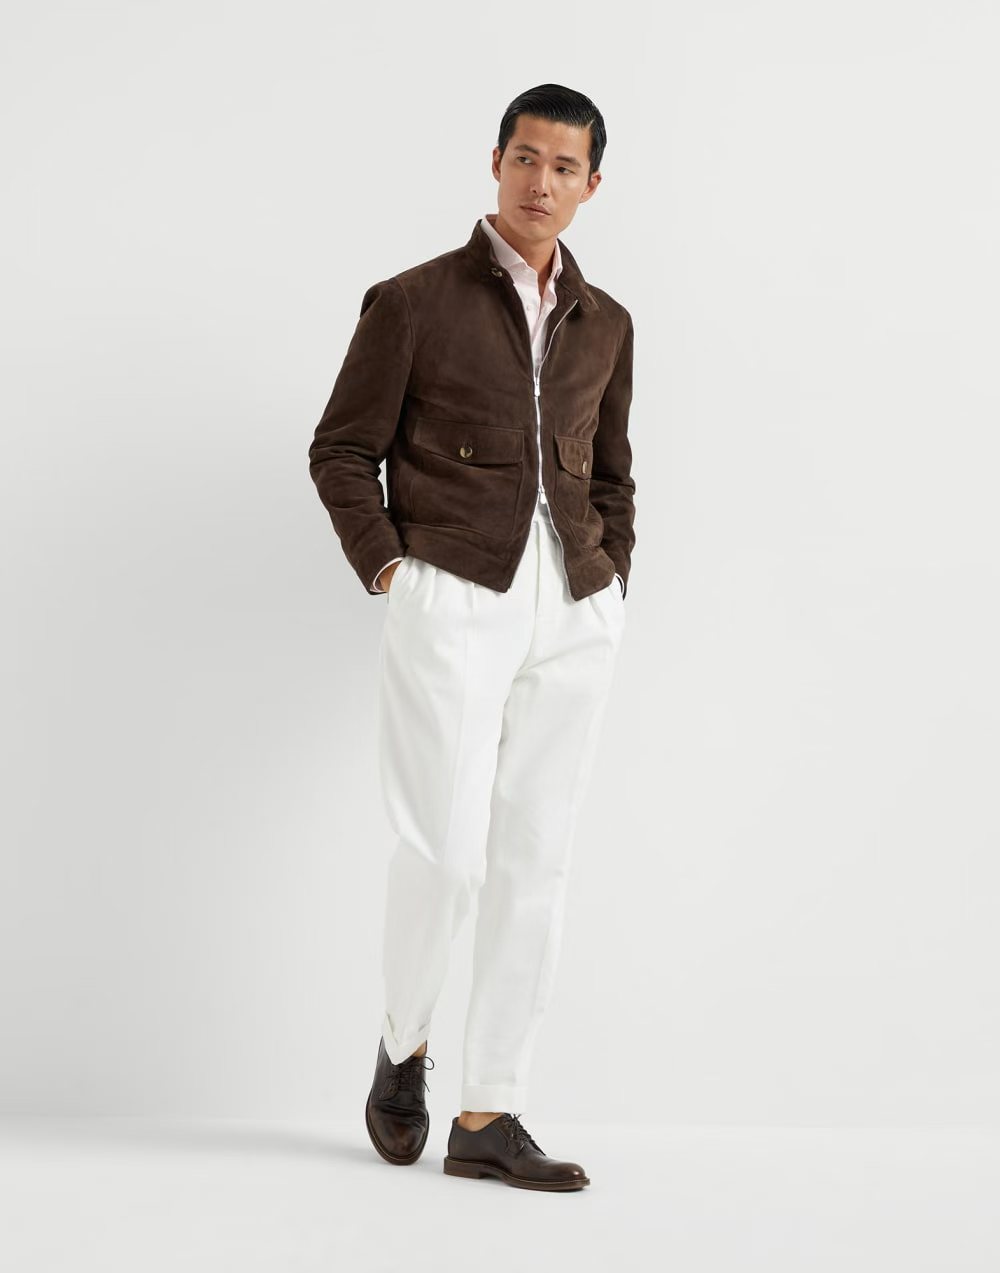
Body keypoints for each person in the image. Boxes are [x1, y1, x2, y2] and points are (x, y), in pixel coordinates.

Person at [307, 83, 636, 1191]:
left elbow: (614, 471)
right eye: (525, 158)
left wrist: (611, 583)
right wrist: (391, 568)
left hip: (572, 605)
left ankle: (490, 1110)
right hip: (452, 592)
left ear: (592, 185)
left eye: (564, 167)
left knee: (536, 859)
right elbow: (340, 450)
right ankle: (403, 1042)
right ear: (496, 162)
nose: (541, 183)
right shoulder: (413, 301)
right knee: (445, 853)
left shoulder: (607, 322)